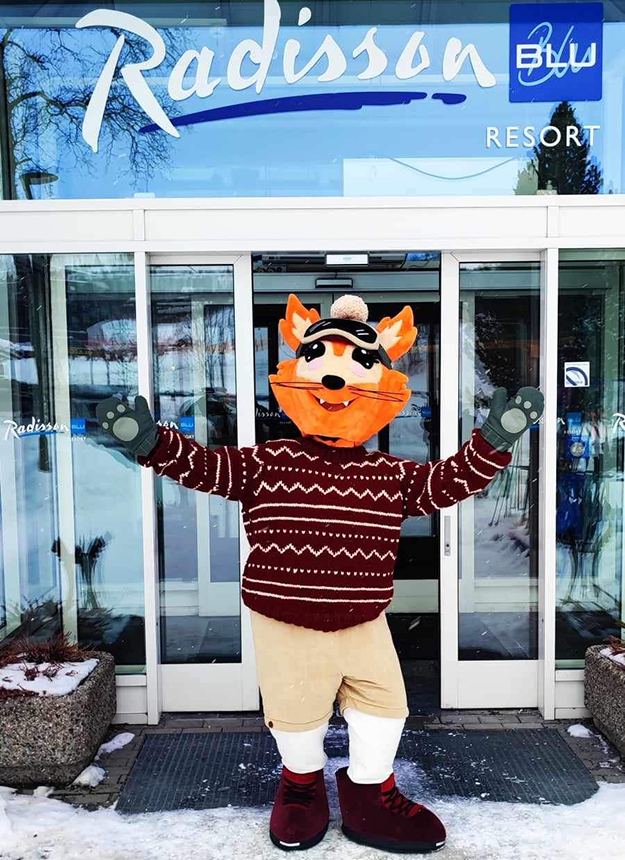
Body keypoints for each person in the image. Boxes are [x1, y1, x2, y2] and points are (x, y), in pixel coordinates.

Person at [96, 293, 544, 854]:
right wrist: (153, 443)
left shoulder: (388, 474)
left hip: (362, 618)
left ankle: (370, 793)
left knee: (385, 708)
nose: (335, 383)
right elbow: (205, 467)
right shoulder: (266, 462)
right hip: (284, 619)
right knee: (296, 714)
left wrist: (493, 442)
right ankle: (301, 788)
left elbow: (446, 482)